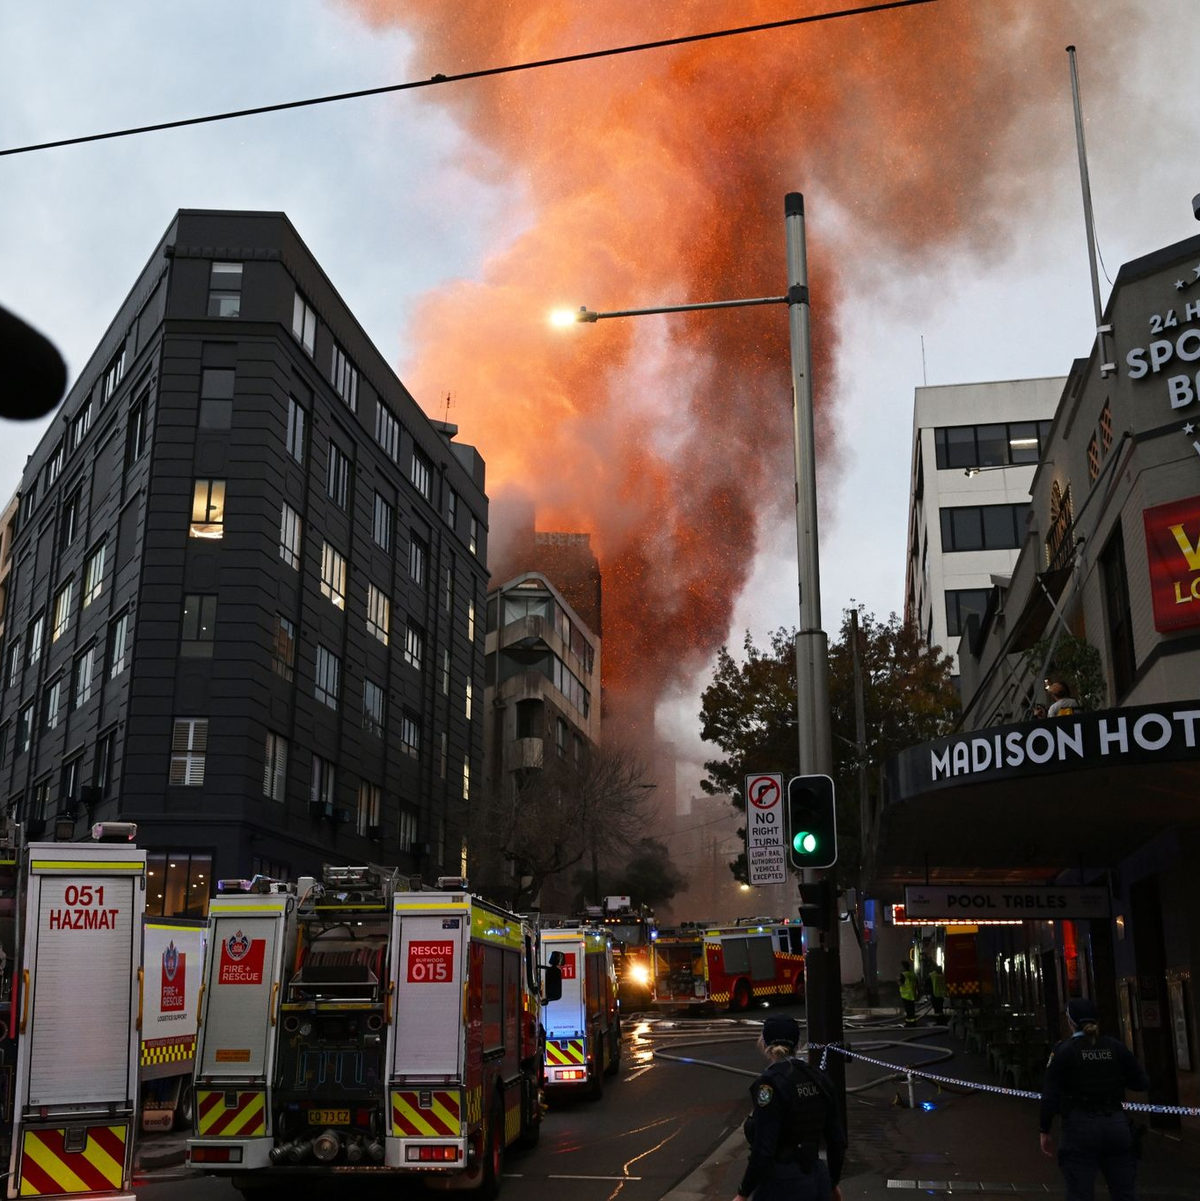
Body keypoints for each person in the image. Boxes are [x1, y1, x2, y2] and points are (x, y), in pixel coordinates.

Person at [1039, 998, 1149, 1201]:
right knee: (1124, 1193)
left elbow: (1050, 1096)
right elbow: (1141, 1083)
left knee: (1080, 1193)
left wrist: (1044, 1129)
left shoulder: (1063, 1051)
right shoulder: (1115, 1047)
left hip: (1079, 1127)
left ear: (1071, 1022)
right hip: (1116, 1124)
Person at [735, 1016, 846, 1201]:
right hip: (816, 1176)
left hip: (781, 1183)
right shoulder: (818, 1078)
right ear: (797, 1043)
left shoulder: (770, 1083)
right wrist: (832, 1182)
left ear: (765, 1043)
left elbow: (764, 1147)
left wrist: (743, 1192)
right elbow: (837, 1140)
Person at [898, 960, 919, 1025]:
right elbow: (917, 983)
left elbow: (901, 984)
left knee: (908, 1010)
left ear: (904, 967)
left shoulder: (903, 974)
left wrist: (898, 981)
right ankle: (912, 1022)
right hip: (912, 994)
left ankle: (909, 1023)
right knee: (912, 1010)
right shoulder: (912, 974)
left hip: (906, 995)